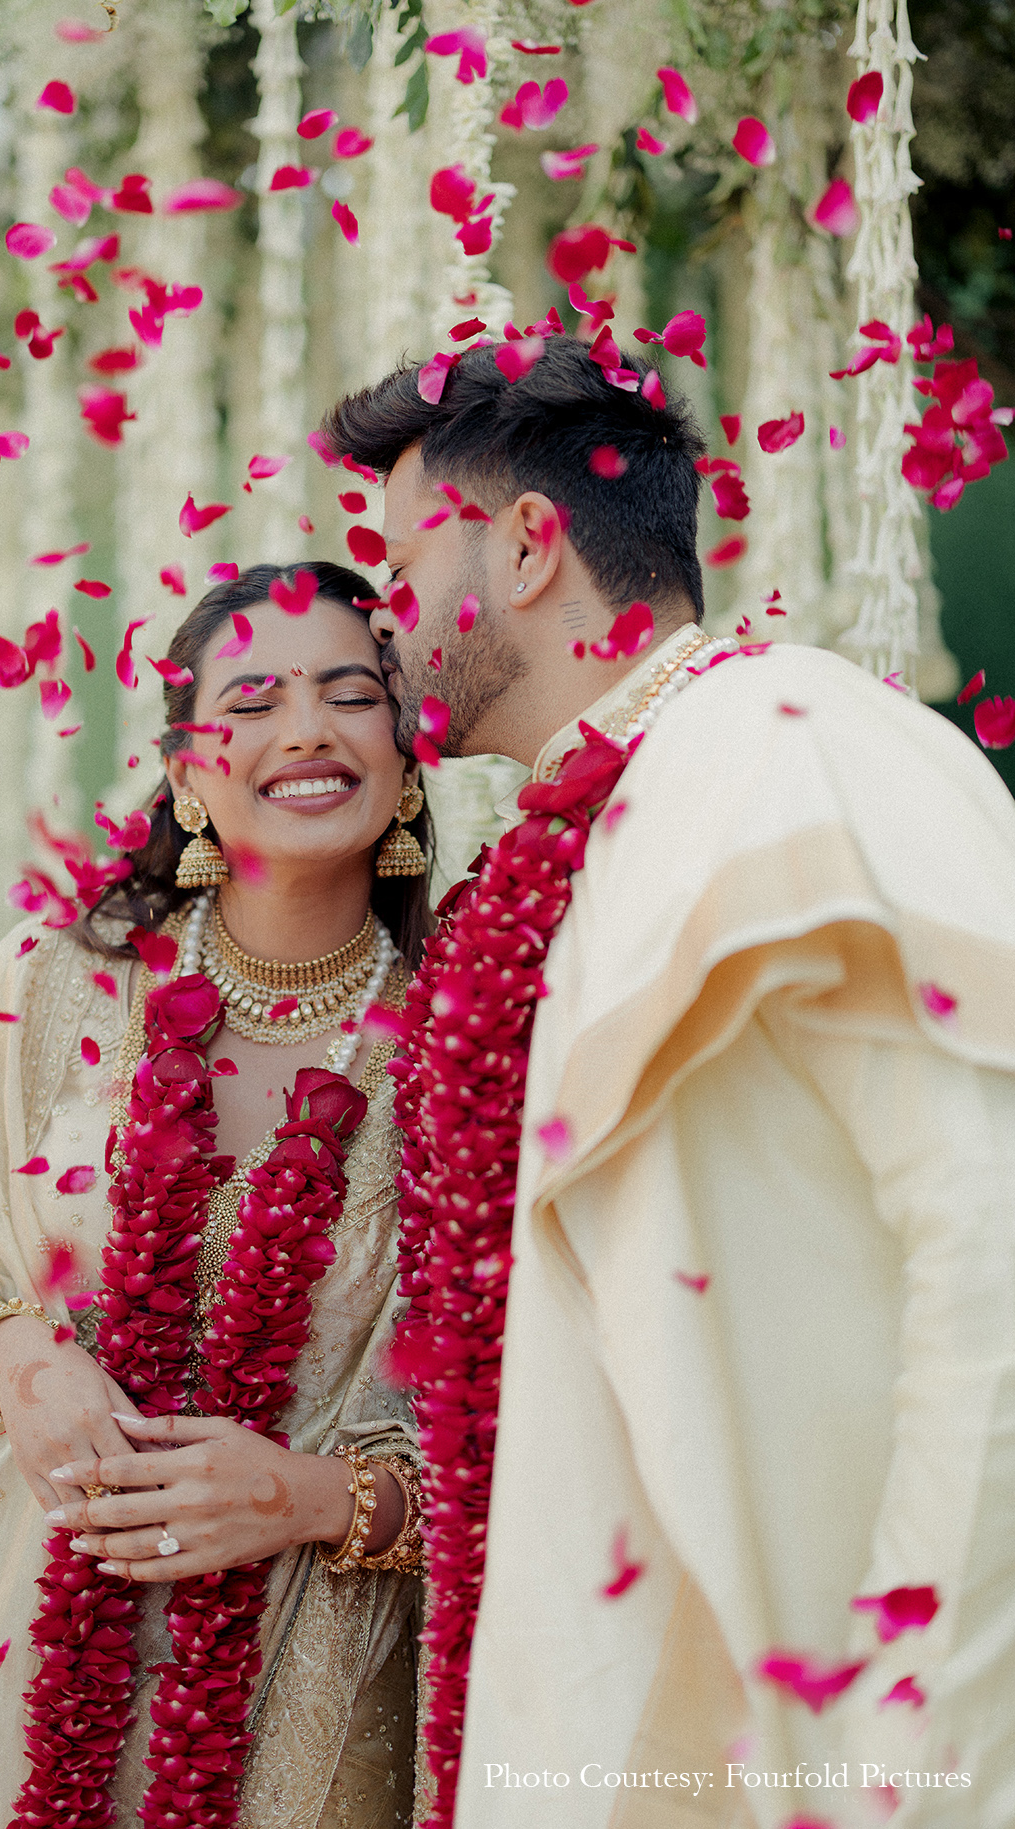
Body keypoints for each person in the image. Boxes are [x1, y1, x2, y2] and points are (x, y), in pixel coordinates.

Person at [323, 339, 1015, 1829]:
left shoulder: (789, 752)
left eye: (399, 566)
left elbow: (992, 1244)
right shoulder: (584, 832)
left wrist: (915, 1752)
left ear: (525, 543)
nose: (386, 621)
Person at [0, 562, 433, 1829]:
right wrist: (16, 1356)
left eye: (349, 693)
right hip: (4, 1646)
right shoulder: (50, 987)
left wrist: (311, 1497)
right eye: (250, 701)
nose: (305, 728)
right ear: (188, 774)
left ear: (407, 762)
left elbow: (533, 1421)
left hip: (310, 1685)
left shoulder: (467, 1044)